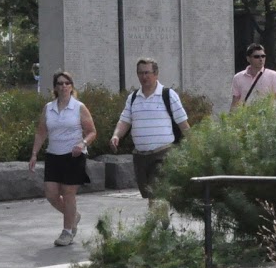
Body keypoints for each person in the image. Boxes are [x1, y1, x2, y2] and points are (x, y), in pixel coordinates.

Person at [27, 72, 98, 247]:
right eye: (60, 83)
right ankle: (73, 215)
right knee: (51, 194)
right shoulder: (48, 108)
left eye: (67, 83)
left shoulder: (79, 107)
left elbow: (92, 132)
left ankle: (67, 231)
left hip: (73, 156)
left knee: (68, 194)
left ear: (72, 86)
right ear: (55, 88)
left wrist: (82, 144)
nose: (63, 86)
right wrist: (34, 153)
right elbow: (41, 131)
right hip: (53, 155)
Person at [109, 58, 190, 199]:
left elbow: (183, 123)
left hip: (163, 154)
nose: (144, 77)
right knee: (149, 194)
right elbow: (124, 121)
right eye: (140, 73)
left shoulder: (168, 95)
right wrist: (116, 136)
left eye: (147, 73)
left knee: (156, 193)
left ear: (156, 74)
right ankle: (161, 219)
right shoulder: (133, 98)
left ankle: (158, 220)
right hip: (140, 156)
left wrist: (194, 144)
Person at [230, 44, 276, 109]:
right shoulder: (238, 77)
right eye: (256, 56)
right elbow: (235, 101)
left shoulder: (273, 76)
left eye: (263, 56)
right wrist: (231, 118)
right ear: (248, 58)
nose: (261, 59)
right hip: (246, 116)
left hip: (267, 116)